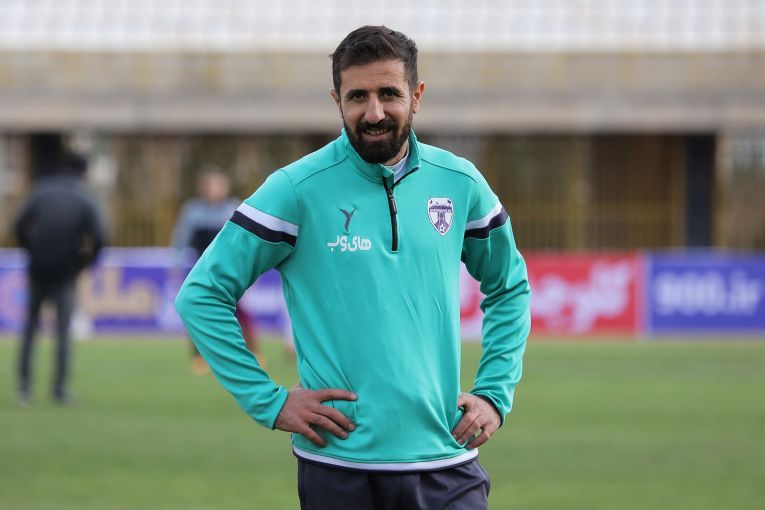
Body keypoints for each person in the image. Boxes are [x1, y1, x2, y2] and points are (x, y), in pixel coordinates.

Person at [175, 26, 531, 509]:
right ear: (336, 100)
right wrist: (269, 402)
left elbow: (509, 286)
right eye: (357, 96)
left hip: (447, 461)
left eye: (389, 94)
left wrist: (493, 393)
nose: (374, 112)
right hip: (339, 470)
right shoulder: (296, 188)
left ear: (416, 95)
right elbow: (201, 295)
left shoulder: (459, 182)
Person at [14, 151, 106, 405]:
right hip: (66, 271)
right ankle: (60, 389)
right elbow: (99, 237)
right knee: (63, 331)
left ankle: (24, 387)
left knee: (30, 327)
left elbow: (19, 224)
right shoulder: (84, 198)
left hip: (38, 268)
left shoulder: (41, 190)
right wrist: (82, 264)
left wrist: (32, 250)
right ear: (84, 173)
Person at [172, 168, 262, 374]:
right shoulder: (193, 211)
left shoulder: (233, 208)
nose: (213, 190)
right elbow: (181, 238)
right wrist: (176, 264)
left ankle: (253, 352)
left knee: (240, 310)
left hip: (228, 269)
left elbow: (245, 239)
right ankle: (198, 356)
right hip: (201, 269)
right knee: (195, 309)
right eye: (209, 186)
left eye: (217, 186)